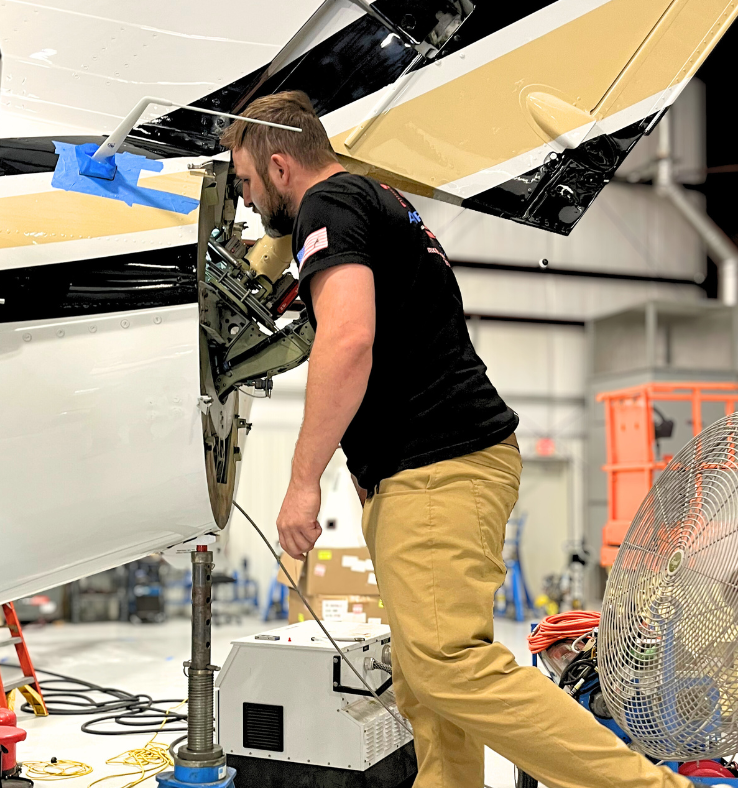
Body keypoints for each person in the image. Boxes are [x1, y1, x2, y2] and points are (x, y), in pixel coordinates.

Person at [219, 90, 694, 788]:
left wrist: (301, 480)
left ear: (282, 166)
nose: (251, 200)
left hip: (440, 467)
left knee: (450, 664)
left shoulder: (330, 207)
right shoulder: (378, 203)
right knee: (424, 684)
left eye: (249, 182)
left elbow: (348, 341)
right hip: (429, 467)